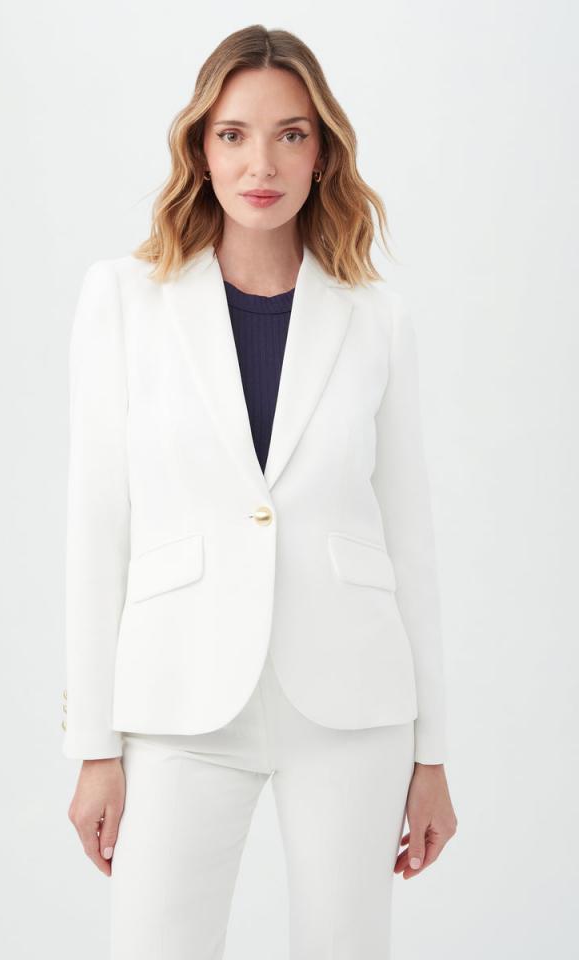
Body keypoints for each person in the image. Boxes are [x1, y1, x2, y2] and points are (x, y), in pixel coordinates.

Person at [62, 24, 457, 960]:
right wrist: (94, 747)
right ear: (201, 148)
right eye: (234, 134)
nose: (262, 163)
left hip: (352, 707)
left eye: (291, 134)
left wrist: (432, 756)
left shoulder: (377, 320)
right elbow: (96, 529)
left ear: (323, 153)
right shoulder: (123, 300)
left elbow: (411, 542)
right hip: (178, 702)